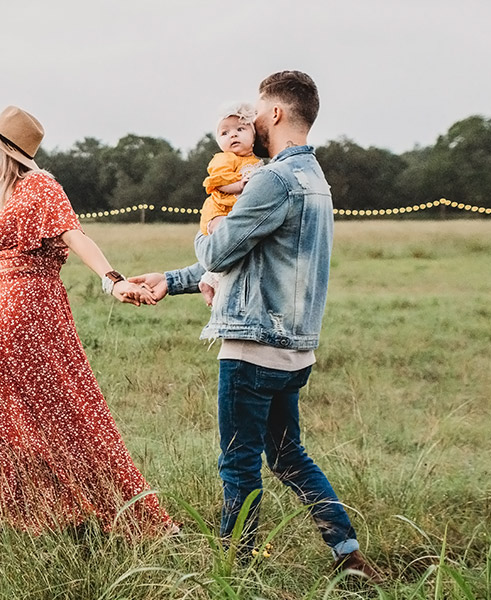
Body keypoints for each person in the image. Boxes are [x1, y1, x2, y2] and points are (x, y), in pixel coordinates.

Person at [130, 72, 381, 580]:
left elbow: (221, 249)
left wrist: (209, 229)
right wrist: (173, 280)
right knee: (289, 456)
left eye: (258, 111)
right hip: (295, 350)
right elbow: (253, 257)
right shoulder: (315, 180)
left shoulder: (272, 179)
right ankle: (348, 555)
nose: (251, 120)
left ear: (278, 114)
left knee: (238, 462)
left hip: (253, 346)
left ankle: (233, 571)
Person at [0, 105, 177, 535]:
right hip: (5, 314)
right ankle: (8, 514)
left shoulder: (40, 186)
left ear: (2, 151)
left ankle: (92, 510)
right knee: (3, 413)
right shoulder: (13, 195)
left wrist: (112, 280)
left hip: (29, 314)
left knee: (63, 410)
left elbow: (75, 234)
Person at [198, 103, 263, 306]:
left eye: (240, 129)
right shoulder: (224, 159)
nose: (232, 135)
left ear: (253, 136)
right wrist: (240, 185)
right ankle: (211, 279)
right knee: (226, 237)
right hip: (219, 210)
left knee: (237, 245)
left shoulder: (256, 161)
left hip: (234, 210)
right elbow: (217, 182)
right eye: (225, 133)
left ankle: (211, 279)